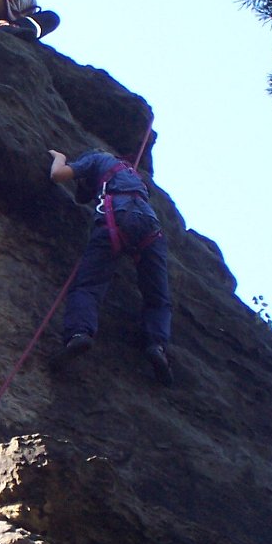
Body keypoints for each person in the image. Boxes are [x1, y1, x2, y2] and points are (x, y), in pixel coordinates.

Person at [48, 146, 174, 384]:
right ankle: (157, 346)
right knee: (158, 297)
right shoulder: (133, 175)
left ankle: (79, 334)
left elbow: (57, 175)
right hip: (150, 227)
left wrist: (60, 157)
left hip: (116, 218)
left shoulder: (96, 159)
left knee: (88, 286)